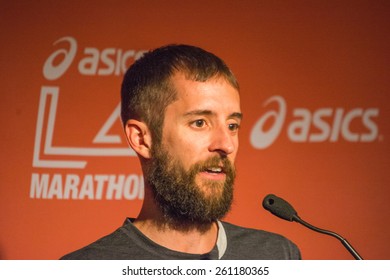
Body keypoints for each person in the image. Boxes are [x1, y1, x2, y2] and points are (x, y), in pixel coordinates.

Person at [61, 44, 301, 260]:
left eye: (232, 126)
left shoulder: (279, 256)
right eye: (199, 123)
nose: (226, 145)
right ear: (142, 138)